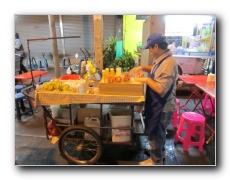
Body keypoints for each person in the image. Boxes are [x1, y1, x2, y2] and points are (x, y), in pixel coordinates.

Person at [128, 32, 178, 165]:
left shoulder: (168, 63)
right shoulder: (163, 59)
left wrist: (144, 79)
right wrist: (142, 67)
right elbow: (156, 70)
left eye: (149, 48)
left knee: (156, 134)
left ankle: (155, 162)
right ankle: (159, 155)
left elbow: (161, 89)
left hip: (163, 107)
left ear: (156, 47)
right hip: (159, 105)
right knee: (159, 134)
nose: (149, 51)